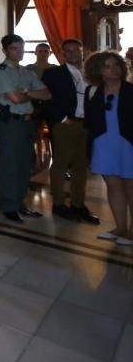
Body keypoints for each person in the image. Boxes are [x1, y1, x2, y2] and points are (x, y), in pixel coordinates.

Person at [0, 33, 52, 223]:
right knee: (10, 165)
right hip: (10, 122)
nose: (19, 52)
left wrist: (26, 92)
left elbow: (47, 94)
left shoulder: (26, 72)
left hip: (27, 122)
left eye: (21, 47)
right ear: (5, 50)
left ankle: (19, 203)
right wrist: (30, 94)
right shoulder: (1, 72)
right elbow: (15, 98)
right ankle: (9, 206)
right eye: (14, 48)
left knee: (25, 164)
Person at [41, 39, 99, 224]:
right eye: (68, 51)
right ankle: (58, 205)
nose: (73, 53)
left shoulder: (92, 74)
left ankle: (78, 205)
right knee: (60, 165)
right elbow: (46, 99)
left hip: (86, 125)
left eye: (76, 50)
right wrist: (63, 119)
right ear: (62, 54)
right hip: (64, 124)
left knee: (81, 167)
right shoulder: (53, 73)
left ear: (82, 52)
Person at [83, 51, 133, 245]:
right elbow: (89, 119)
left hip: (128, 143)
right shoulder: (92, 91)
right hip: (103, 144)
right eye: (107, 66)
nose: (114, 69)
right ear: (98, 71)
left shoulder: (130, 90)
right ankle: (120, 228)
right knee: (113, 186)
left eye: (116, 65)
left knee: (130, 187)